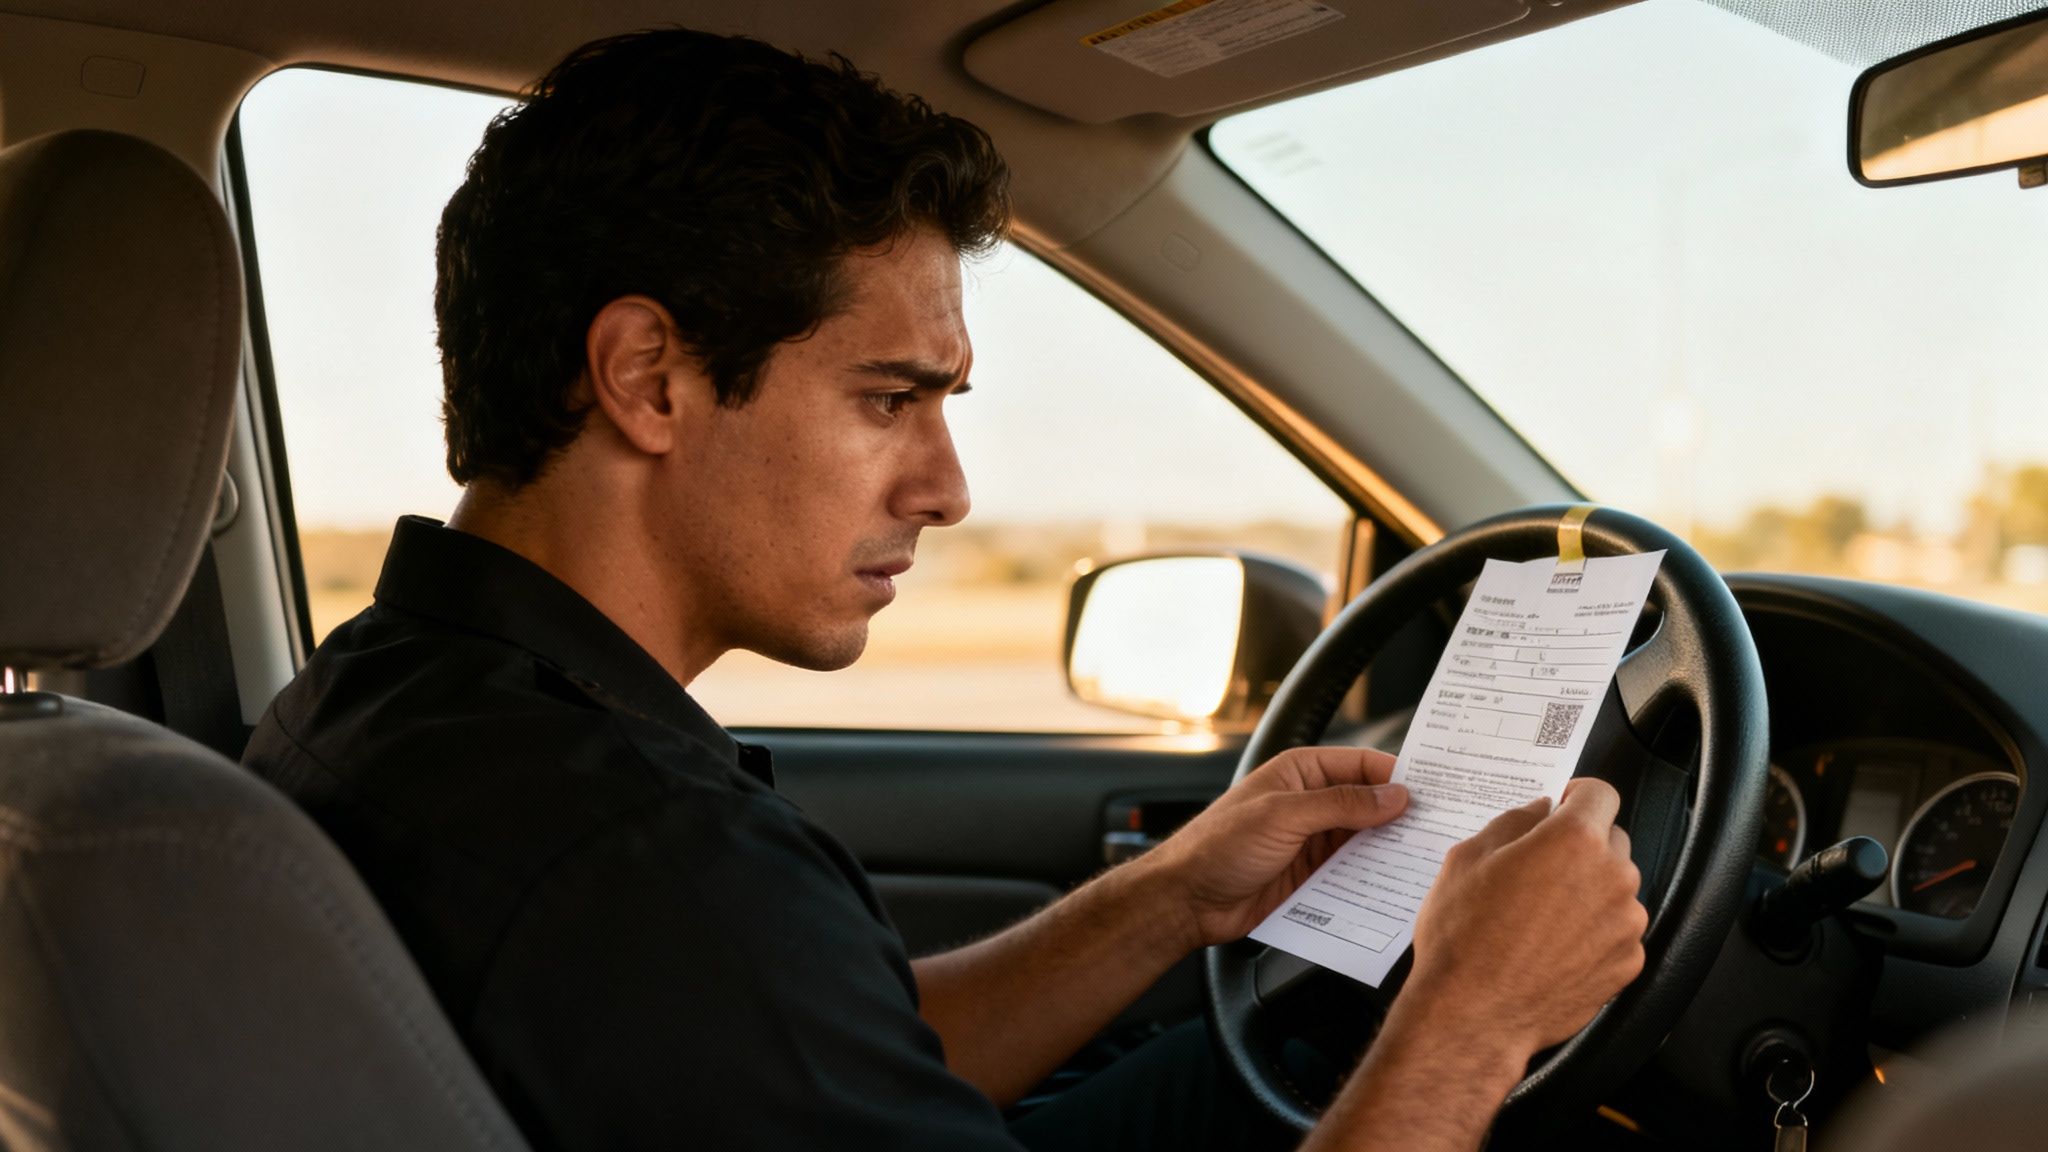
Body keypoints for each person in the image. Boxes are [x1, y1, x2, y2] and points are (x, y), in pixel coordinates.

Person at [242, 27, 1647, 1152]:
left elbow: (819, 1062)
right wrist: (1470, 1017)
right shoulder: (640, 864)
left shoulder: (394, 702)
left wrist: (1167, 896)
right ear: (649, 377)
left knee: (1255, 1062)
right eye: (887, 398)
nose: (946, 487)